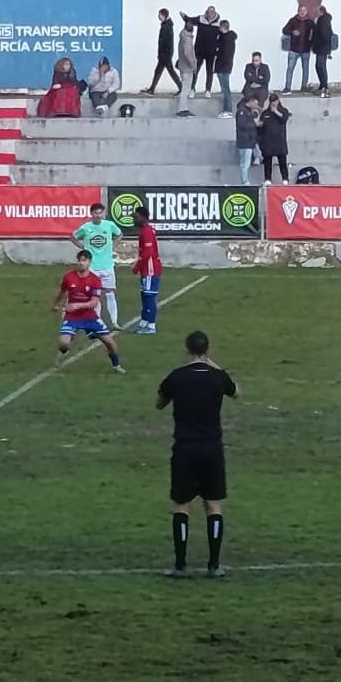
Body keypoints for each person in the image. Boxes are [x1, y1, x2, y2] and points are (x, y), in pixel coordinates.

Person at [157, 330, 236, 578]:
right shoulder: (218, 377)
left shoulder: (177, 377)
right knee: (213, 506)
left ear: (186, 349)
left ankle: (180, 565)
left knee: (181, 506)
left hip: (184, 448)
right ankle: (214, 565)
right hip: (212, 448)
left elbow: (159, 403)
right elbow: (236, 392)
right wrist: (214, 365)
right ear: (208, 350)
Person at [53, 249, 124, 373]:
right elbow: (61, 292)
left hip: (89, 316)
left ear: (89, 262)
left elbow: (94, 302)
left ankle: (116, 366)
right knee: (63, 344)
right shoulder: (69, 277)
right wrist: (55, 304)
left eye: (84, 261)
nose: (81, 263)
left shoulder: (95, 280)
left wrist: (77, 306)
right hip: (72, 317)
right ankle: (64, 350)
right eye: (79, 260)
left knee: (109, 342)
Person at [72, 201, 122, 326]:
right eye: (96, 213)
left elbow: (119, 234)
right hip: (93, 267)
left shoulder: (109, 225)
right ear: (91, 214)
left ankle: (115, 322)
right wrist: (82, 247)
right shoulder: (86, 228)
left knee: (110, 293)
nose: (98, 216)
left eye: (100, 213)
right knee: (95, 296)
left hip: (107, 265)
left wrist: (113, 247)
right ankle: (97, 321)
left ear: (103, 213)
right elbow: (73, 236)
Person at [132, 207, 161, 336]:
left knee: (149, 297)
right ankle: (144, 321)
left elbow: (148, 253)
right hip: (147, 269)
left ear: (143, 217)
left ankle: (151, 325)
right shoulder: (145, 230)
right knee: (145, 296)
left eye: (136, 217)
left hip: (150, 269)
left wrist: (137, 267)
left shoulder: (147, 232)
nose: (134, 219)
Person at [183, 7, 222, 92]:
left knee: (209, 71)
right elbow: (190, 20)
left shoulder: (219, 23)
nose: (208, 15)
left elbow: (222, 37)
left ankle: (208, 90)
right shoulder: (201, 18)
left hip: (211, 52)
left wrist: (217, 48)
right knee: (195, 70)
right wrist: (185, 17)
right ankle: (192, 88)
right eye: (207, 13)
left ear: (214, 13)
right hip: (199, 50)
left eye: (210, 13)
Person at [259, 93, 291, 183]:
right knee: (267, 162)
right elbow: (260, 127)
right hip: (268, 142)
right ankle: (267, 179)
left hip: (280, 142)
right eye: (272, 101)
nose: (273, 103)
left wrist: (276, 112)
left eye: (275, 101)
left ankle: (285, 178)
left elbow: (284, 118)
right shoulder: (265, 113)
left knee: (282, 162)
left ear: (278, 101)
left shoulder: (283, 111)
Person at [148, 8, 180, 94]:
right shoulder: (166, 25)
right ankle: (152, 88)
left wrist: (162, 54)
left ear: (163, 15)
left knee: (170, 71)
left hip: (165, 54)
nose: (158, 16)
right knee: (159, 71)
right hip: (165, 53)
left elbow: (165, 42)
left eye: (160, 15)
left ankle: (181, 87)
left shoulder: (167, 26)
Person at [282, 9, 314, 94]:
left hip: (306, 49)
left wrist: (312, 44)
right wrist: (292, 32)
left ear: (307, 12)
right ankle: (287, 88)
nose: (302, 12)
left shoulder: (310, 22)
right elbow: (284, 30)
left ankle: (304, 86)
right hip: (294, 49)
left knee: (305, 69)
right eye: (301, 11)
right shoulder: (293, 20)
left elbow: (315, 33)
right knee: (290, 69)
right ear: (298, 11)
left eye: (304, 11)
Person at [233, 93, 262, 185]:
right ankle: (244, 180)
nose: (256, 106)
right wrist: (255, 124)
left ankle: (245, 179)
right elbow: (242, 125)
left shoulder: (249, 111)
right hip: (244, 141)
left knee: (247, 161)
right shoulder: (242, 111)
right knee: (245, 163)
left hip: (250, 140)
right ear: (251, 101)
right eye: (256, 103)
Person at [173, 17, 199, 117]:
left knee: (185, 87)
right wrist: (193, 65)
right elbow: (188, 53)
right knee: (186, 89)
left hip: (183, 66)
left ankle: (183, 108)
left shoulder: (182, 37)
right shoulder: (188, 39)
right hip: (187, 67)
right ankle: (183, 109)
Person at [212, 19, 238, 116]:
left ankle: (228, 110)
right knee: (225, 88)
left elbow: (223, 54)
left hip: (223, 67)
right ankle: (226, 109)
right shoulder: (229, 37)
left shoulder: (226, 40)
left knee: (226, 89)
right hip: (225, 66)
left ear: (222, 28)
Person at [311, 6, 334, 97]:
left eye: (317, 11)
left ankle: (324, 87)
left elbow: (324, 34)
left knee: (321, 67)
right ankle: (322, 85)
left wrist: (318, 43)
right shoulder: (323, 20)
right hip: (322, 48)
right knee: (319, 66)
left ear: (321, 11)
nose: (316, 13)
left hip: (321, 48)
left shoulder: (323, 20)